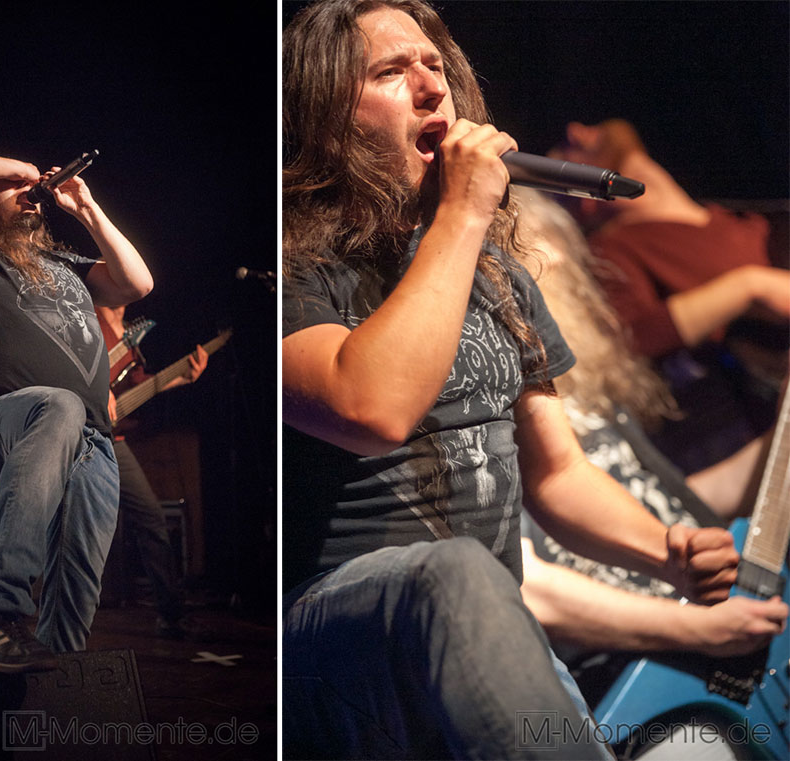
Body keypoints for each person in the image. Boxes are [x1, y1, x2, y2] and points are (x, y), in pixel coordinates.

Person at [281, 2, 740, 758]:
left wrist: (667, 551)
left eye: (435, 65)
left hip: (487, 617)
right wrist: (462, 214)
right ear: (324, 115)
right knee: (456, 573)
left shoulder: (494, 275)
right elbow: (370, 409)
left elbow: (558, 476)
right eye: (391, 71)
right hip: (341, 624)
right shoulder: (294, 263)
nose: (431, 87)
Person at [511, 188, 787, 716]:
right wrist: (694, 629)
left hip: (712, 639)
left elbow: (675, 505)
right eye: (528, 243)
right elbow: (525, 582)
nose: (562, 259)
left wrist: (782, 440)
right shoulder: (479, 401)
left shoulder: (580, 388)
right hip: (622, 675)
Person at [0, 146, 154, 672]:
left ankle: (50, 686)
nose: (31, 195)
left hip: (91, 438)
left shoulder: (63, 265)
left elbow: (138, 283)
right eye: (13, 190)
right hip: (10, 419)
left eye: (32, 191)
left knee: (77, 589)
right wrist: (25, 171)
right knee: (59, 405)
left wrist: (87, 208)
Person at [553, 119, 790, 472]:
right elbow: (631, 339)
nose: (574, 129)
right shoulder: (614, 248)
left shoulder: (740, 218)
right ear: (584, 201)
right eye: (567, 152)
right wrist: (750, 286)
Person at [94, 305, 209, 638]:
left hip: (112, 441)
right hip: (79, 437)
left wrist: (182, 378)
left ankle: (171, 616)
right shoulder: (89, 316)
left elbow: (137, 386)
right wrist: (95, 387)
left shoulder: (130, 333)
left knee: (151, 518)